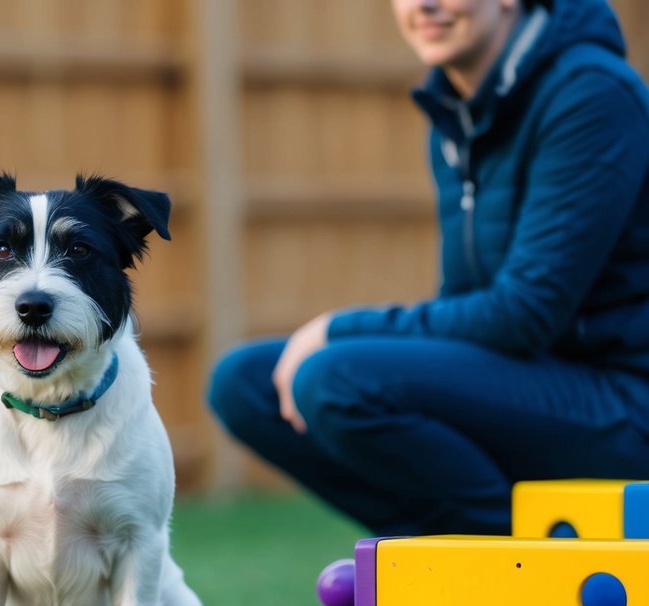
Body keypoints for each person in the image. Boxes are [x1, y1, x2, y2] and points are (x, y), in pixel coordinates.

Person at [207, 0, 649, 536]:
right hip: (533, 384)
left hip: (622, 403)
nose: (425, 5)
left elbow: (524, 314)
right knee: (245, 385)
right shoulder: (456, 109)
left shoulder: (592, 95)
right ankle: (440, 550)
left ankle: (515, 558)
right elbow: (467, 299)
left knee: (336, 378)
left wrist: (336, 328)